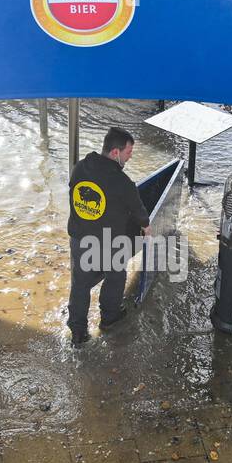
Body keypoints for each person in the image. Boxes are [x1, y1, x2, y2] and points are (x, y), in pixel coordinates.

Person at [66, 127, 150, 346]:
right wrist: (146, 227)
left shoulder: (79, 168)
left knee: (80, 284)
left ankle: (78, 331)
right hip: (108, 241)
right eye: (128, 152)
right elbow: (139, 212)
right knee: (115, 276)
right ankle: (109, 318)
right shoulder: (122, 182)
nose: (130, 156)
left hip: (79, 238)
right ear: (115, 152)